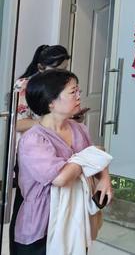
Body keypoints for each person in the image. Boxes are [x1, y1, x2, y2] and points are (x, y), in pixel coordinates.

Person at [14, 69, 113, 255]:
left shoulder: (79, 129)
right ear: (51, 102)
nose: (79, 96)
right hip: (42, 223)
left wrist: (105, 178)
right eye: (73, 92)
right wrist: (87, 157)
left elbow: (97, 158)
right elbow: (61, 178)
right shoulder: (34, 139)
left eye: (78, 91)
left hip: (78, 220)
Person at [10, 45, 72, 254]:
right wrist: (48, 122)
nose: (61, 73)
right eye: (57, 69)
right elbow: (18, 123)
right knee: (27, 204)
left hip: (53, 150)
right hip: (32, 153)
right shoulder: (25, 86)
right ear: (40, 67)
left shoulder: (58, 86)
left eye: (64, 69)